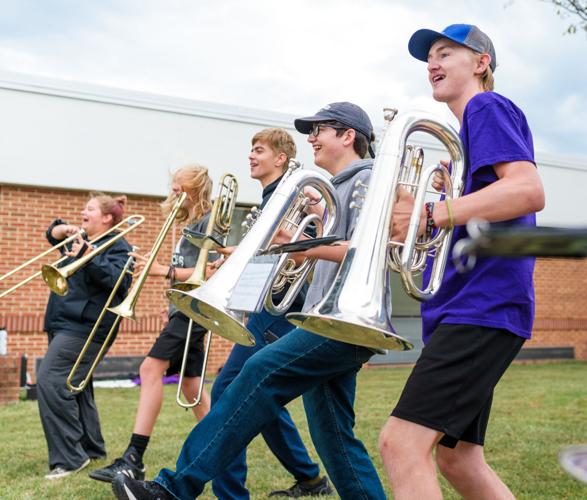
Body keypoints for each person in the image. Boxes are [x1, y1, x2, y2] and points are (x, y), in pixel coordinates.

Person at [112, 102, 387, 500]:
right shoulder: (336, 186)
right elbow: (323, 252)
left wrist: (297, 245)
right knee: (333, 436)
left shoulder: (365, 180)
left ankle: (173, 488)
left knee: (256, 373)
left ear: (348, 136)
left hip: (342, 316)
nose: (311, 138)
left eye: (320, 130)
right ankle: (313, 480)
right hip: (326, 315)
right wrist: (283, 247)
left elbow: (365, 250)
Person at [378, 24, 545, 499]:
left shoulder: (485, 106)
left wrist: (431, 213)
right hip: (469, 307)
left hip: (481, 307)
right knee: (458, 458)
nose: (432, 63)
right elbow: (474, 214)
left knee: (401, 444)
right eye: (429, 56)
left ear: (481, 63)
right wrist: (419, 207)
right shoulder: (465, 136)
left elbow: (528, 190)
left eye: (446, 53)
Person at [210, 128, 331, 499]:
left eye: (258, 150)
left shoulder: (292, 191)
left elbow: (297, 247)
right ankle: (310, 478)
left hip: (282, 306)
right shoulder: (270, 195)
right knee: (258, 392)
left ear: (280, 158)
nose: (250, 156)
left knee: (228, 389)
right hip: (267, 303)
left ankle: (231, 493)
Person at [90, 165, 214, 484]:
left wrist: (164, 272)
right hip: (183, 310)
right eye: (172, 183)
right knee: (191, 387)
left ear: (197, 187)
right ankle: (222, 453)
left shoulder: (209, 221)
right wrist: (168, 300)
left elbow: (214, 269)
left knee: (149, 369)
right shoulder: (186, 224)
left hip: (196, 310)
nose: (173, 189)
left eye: (179, 184)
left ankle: (133, 458)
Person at [38, 192, 133, 479]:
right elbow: (51, 235)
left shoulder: (118, 245)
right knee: (77, 385)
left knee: (51, 380)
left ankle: (69, 458)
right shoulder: (78, 239)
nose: (83, 212)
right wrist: (62, 230)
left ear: (106, 217)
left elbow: (120, 281)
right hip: (62, 323)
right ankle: (91, 448)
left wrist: (87, 257)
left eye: (89, 209)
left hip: (86, 328)